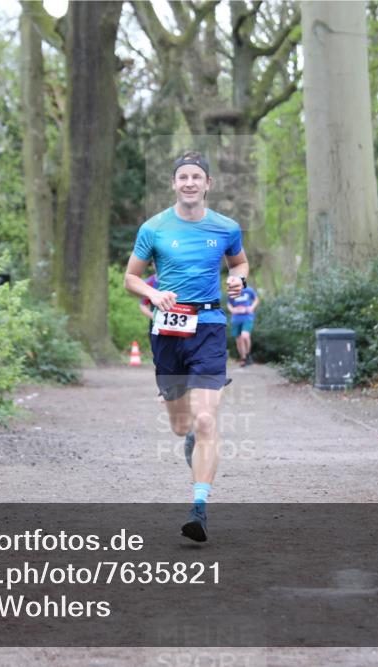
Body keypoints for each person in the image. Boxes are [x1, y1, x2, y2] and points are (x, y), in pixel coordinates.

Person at [124, 151, 249, 542]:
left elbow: (240, 264)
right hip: (168, 332)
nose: (190, 183)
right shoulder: (155, 228)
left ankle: (199, 508)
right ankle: (192, 438)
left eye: (197, 176)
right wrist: (152, 293)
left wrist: (238, 281)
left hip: (209, 326)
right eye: (183, 177)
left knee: (207, 419)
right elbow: (131, 277)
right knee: (182, 427)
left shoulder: (226, 227)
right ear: (174, 184)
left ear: (208, 183)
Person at [228, 283, 259, 366]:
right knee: (238, 340)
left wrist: (252, 307)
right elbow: (229, 303)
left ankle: (248, 354)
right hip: (236, 318)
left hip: (247, 317)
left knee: (245, 336)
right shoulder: (232, 292)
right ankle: (243, 358)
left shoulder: (249, 290)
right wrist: (232, 310)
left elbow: (256, 299)